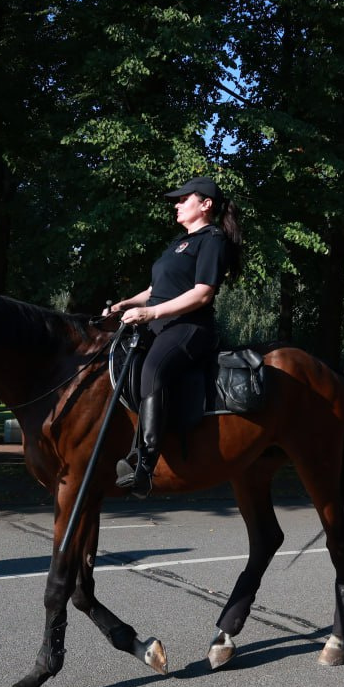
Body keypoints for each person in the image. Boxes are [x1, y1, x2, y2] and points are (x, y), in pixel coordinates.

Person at [104, 175, 242, 495]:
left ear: (206, 205)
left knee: (154, 369)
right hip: (159, 325)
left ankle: (144, 462)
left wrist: (151, 313)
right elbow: (155, 290)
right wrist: (126, 303)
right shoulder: (176, 244)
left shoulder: (213, 239)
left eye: (184, 199)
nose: (177, 205)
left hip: (190, 328)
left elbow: (203, 294)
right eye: (177, 200)